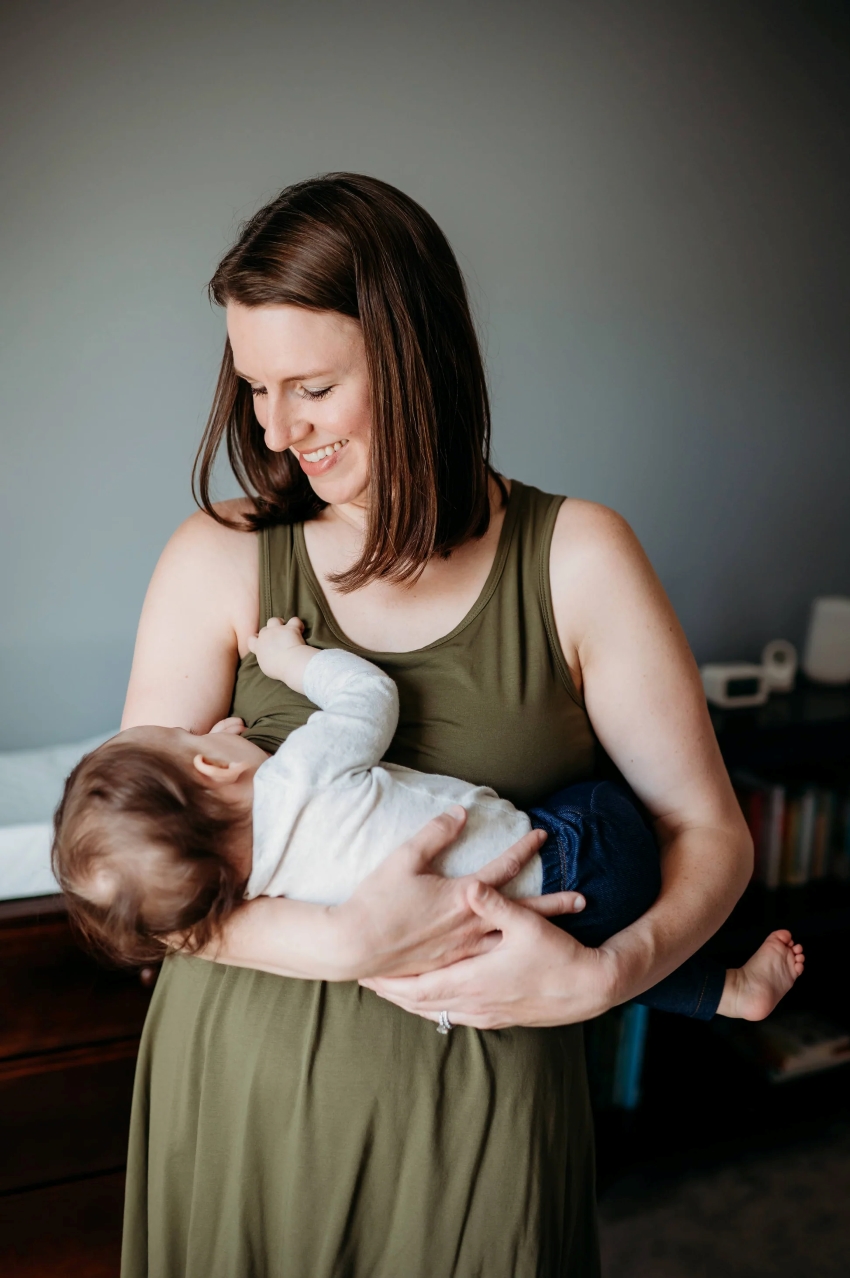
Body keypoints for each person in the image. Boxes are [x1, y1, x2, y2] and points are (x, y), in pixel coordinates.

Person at [118, 173, 756, 1278]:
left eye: (311, 386)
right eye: (256, 389)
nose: (276, 432)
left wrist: (608, 978)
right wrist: (347, 944)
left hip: (484, 1110)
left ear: (413, 360)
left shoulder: (578, 558)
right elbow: (144, 880)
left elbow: (711, 831)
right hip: (239, 1101)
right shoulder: (214, 560)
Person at [55, 619, 803, 1024]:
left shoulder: (272, 902)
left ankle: (731, 993)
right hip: (582, 854)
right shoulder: (301, 770)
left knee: (580, 946)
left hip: (507, 949)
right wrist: (293, 662)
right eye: (199, 736)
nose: (217, 724)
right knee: (598, 796)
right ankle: (724, 984)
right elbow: (368, 698)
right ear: (217, 765)